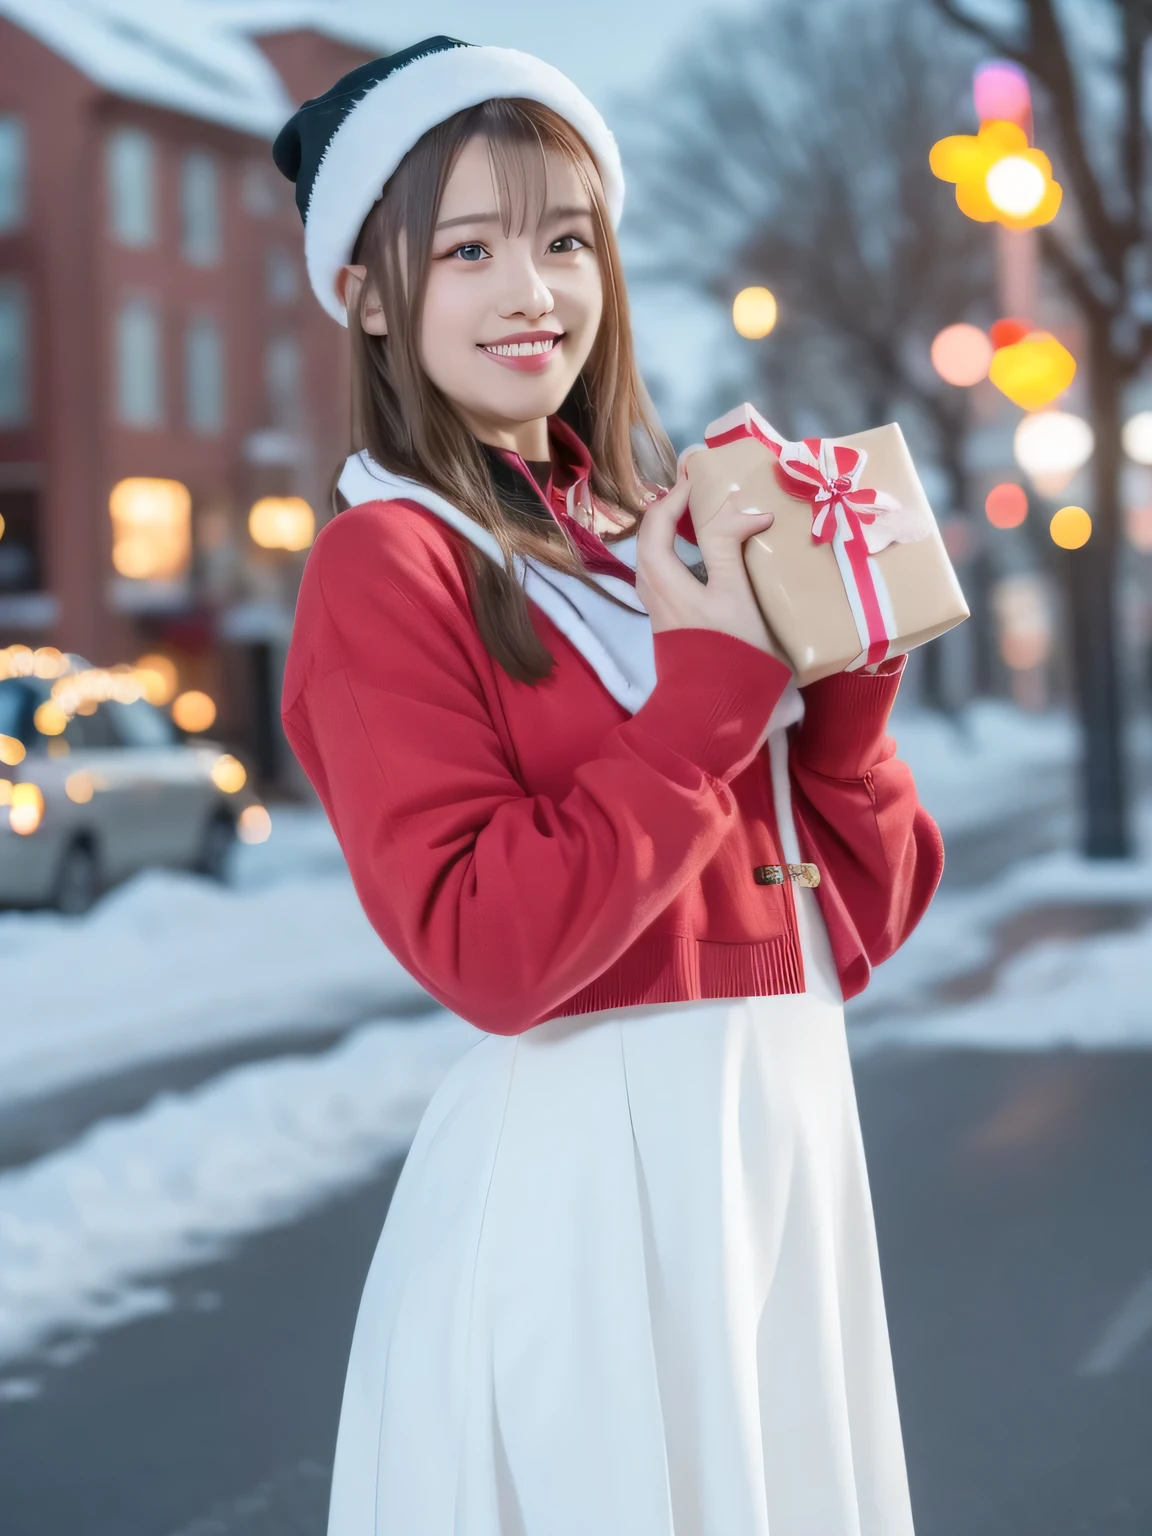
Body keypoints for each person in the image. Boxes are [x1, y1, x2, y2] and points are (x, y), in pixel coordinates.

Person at [275, 36, 943, 1536]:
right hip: (591, 1190)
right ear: (371, 294)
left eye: (567, 240)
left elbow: (863, 927)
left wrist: (838, 703)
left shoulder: (653, 536)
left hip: (781, 1146)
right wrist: (712, 706)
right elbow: (489, 954)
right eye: (470, 249)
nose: (535, 291)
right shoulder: (386, 563)